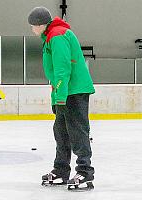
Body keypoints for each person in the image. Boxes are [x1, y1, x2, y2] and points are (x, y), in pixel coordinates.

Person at [28, 7, 95, 190]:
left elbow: (62, 69)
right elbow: (56, 74)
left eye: (33, 26)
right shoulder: (52, 35)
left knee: (77, 131)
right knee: (61, 132)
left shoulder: (57, 35)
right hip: (66, 92)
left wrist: (60, 97)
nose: (32, 30)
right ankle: (61, 170)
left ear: (40, 24)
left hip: (73, 91)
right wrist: (56, 97)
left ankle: (85, 172)